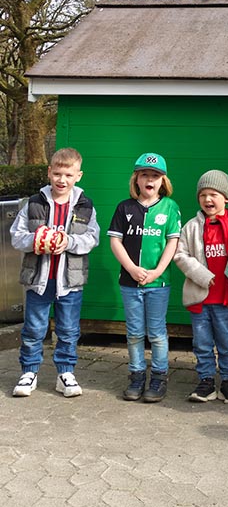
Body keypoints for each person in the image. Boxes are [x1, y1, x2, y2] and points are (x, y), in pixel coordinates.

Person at [11, 147, 100, 397]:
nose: (62, 180)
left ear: (78, 176)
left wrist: (68, 242)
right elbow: (16, 237)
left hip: (70, 281)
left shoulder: (85, 206)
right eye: (58, 174)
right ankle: (29, 372)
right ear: (49, 172)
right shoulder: (34, 203)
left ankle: (65, 373)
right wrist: (37, 240)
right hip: (38, 280)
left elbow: (93, 238)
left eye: (68, 175)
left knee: (69, 329)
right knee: (34, 329)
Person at [108, 153, 181, 403]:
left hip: (158, 283)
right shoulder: (124, 207)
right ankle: (137, 375)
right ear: (136, 179)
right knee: (135, 333)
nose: (150, 179)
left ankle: (159, 377)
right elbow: (115, 240)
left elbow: (173, 242)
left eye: (155, 176)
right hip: (130, 282)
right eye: (144, 175)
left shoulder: (170, 207)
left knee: (157, 333)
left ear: (163, 181)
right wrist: (130, 268)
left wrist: (157, 271)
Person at [174, 170, 228, 405]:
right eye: (203, 195)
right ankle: (206, 381)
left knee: (227, 342)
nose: (208, 200)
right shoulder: (191, 226)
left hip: (226, 297)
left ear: (226, 197)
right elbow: (180, 254)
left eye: (214, 194)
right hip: (200, 298)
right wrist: (201, 274)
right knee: (202, 343)